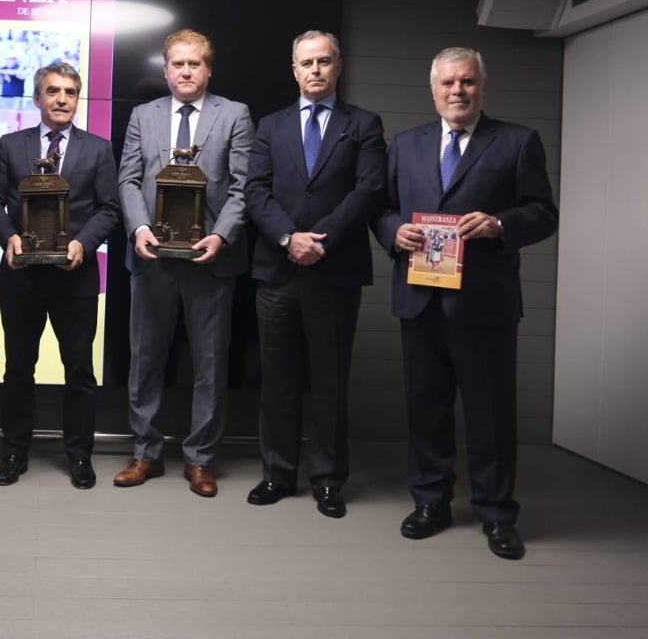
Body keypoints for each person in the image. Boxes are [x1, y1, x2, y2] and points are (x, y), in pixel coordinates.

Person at [373, 47, 558, 560]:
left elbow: (543, 213)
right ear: (433, 89)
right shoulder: (405, 145)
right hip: (420, 300)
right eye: (449, 83)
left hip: (485, 305)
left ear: (482, 87)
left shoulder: (518, 141)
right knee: (425, 409)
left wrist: (501, 225)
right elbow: (383, 209)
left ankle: (497, 514)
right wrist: (394, 232)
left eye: (468, 82)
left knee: (491, 414)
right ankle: (430, 503)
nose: (458, 91)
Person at [243, 31, 386, 518]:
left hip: (334, 270)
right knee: (277, 381)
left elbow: (367, 192)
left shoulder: (363, 124)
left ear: (338, 67)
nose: (316, 70)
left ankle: (327, 480)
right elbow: (255, 192)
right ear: (294, 70)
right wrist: (289, 238)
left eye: (325, 61)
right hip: (277, 271)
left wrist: (318, 240)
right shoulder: (270, 126)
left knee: (329, 382)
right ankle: (277, 474)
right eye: (307, 63)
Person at [115, 28, 254, 497]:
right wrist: (139, 229)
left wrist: (221, 235)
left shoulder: (234, 115)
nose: (186, 71)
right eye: (178, 63)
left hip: (210, 261)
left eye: (194, 63)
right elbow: (128, 180)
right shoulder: (143, 116)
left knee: (209, 364)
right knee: (145, 361)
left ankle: (200, 459)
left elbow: (242, 187)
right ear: (166, 68)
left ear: (208, 69)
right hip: (153, 259)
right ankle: (146, 454)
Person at [0, 61, 120, 488]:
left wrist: (85, 243)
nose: (62, 99)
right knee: (19, 368)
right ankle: (13, 452)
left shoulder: (98, 149)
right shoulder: (9, 145)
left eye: (70, 92)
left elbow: (109, 208)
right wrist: (8, 237)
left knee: (79, 370)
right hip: (22, 275)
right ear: (38, 98)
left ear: (78, 99)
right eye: (53, 91)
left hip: (74, 277)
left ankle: (80, 455)